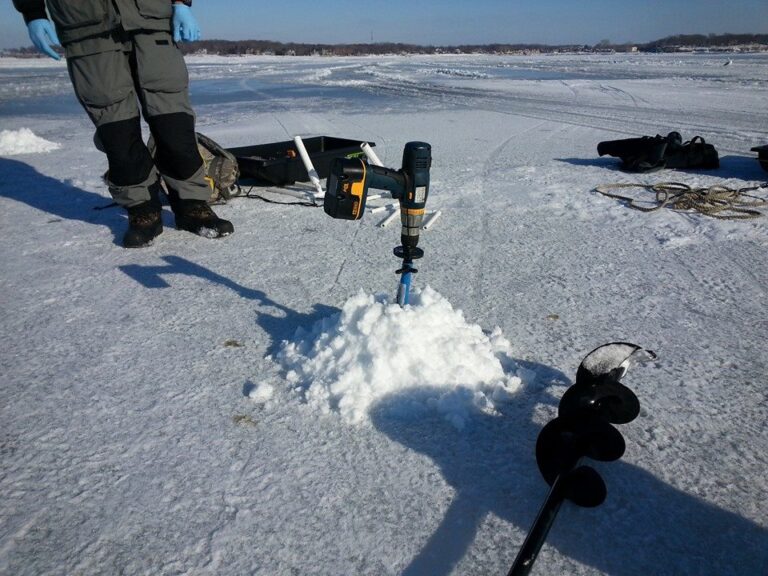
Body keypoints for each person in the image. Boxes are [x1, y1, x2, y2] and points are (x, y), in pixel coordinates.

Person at [12, 0, 234, 248]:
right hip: (86, 29)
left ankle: (192, 204)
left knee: (174, 123)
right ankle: (141, 208)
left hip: (151, 20)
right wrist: (33, 13)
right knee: (116, 129)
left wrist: (181, 3)